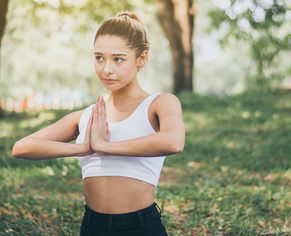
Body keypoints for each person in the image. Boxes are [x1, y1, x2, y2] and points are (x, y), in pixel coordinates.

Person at [12, 12, 185, 235]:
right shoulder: (87, 115)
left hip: (140, 226)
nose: (106, 69)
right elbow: (21, 148)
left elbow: (173, 142)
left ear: (141, 58)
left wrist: (104, 146)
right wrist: (81, 148)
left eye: (118, 59)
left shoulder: (159, 104)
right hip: (92, 226)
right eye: (99, 58)